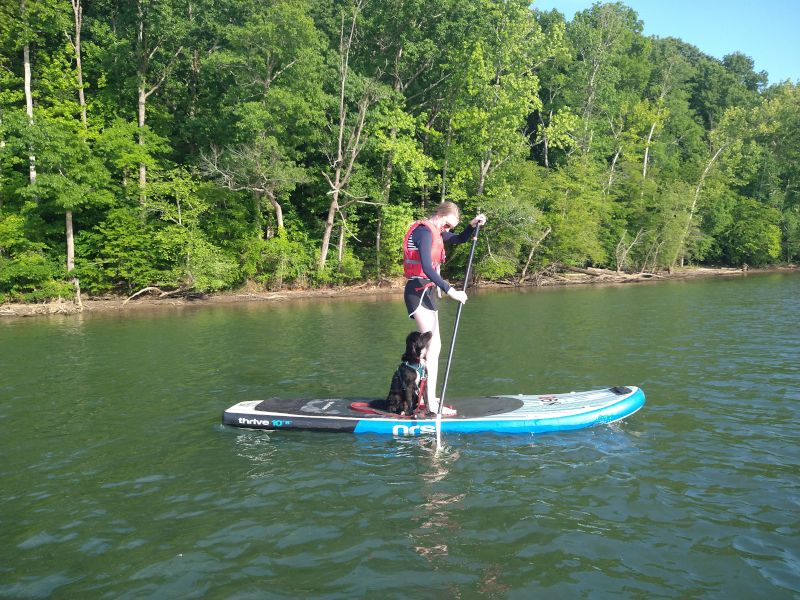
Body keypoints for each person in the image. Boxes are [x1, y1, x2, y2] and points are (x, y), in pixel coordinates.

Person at [402, 201, 487, 416]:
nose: (448, 230)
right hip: (416, 292)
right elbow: (428, 268)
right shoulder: (423, 232)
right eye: (448, 225)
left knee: (434, 348)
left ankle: (428, 397)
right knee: (429, 349)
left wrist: (472, 225)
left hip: (429, 293)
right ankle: (428, 402)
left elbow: (460, 239)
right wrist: (452, 291)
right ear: (441, 215)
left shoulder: (437, 232)